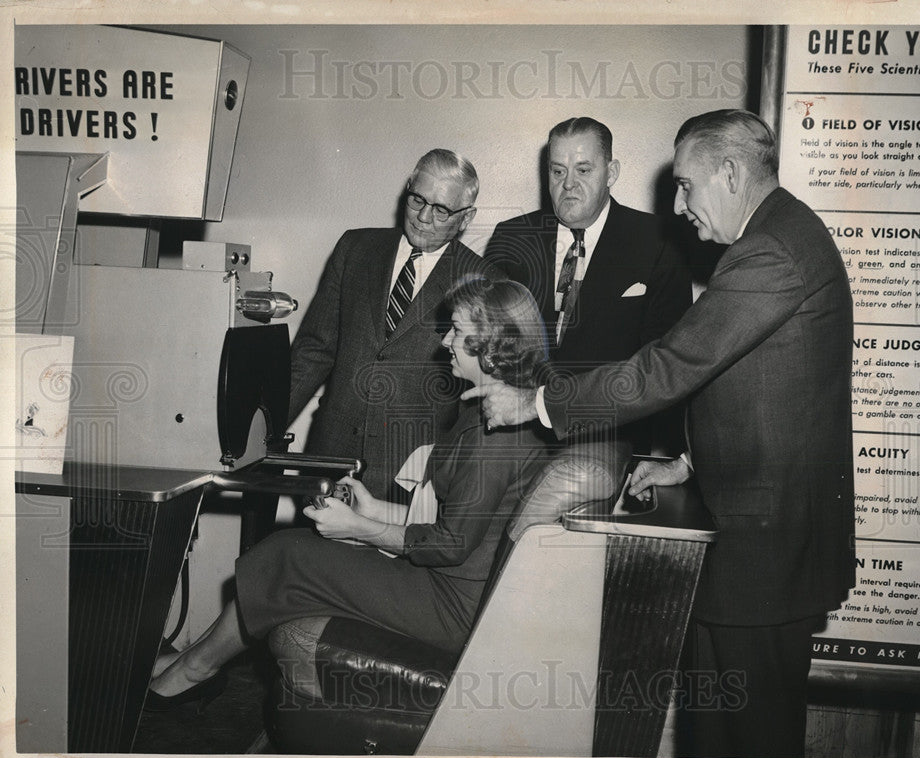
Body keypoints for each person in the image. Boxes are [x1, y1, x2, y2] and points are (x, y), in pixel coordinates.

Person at [465, 109, 856, 758]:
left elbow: (670, 366)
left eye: (686, 185)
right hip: (758, 536)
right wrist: (691, 462)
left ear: (730, 173)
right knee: (723, 739)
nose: (678, 207)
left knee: (748, 745)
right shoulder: (780, 234)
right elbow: (759, 385)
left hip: (766, 550)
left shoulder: (770, 252)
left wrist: (539, 401)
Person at [146, 277, 550, 708]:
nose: (445, 340)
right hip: (447, 583)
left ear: (490, 344)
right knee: (289, 549)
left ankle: (195, 669)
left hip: (452, 605)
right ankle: (193, 660)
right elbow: (456, 524)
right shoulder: (486, 406)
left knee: (287, 555)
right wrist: (373, 509)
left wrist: (359, 527)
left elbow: (450, 544)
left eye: (456, 330)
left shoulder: (498, 434)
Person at [288, 149, 494, 502]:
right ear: (408, 189)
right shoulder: (355, 248)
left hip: (410, 476)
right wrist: (256, 431)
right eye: (418, 199)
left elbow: (474, 398)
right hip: (329, 458)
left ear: (466, 217)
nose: (424, 217)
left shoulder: (483, 280)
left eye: (441, 209)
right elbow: (313, 352)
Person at [485, 116, 691, 454]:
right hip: (514, 434)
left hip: (608, 436)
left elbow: (668, 363)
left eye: (583, 170)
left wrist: (660, 454)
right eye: (557, 172)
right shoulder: (512, 237)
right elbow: (486, 342)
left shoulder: (659, 243)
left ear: (611, 173)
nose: (568, 184)